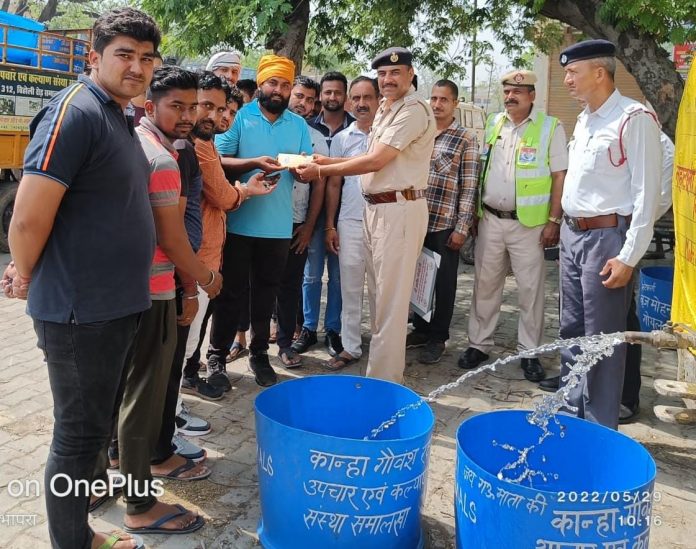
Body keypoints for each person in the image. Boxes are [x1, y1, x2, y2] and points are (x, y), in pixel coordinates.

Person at [4, 8, 159, 549]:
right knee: (76, 437)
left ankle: (82, 525)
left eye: (146, 58)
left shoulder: (118, 113)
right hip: (80, 313)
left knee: (91, 428)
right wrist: (25, 274)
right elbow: (25, 218)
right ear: (94, 56)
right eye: (123, 54)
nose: (136, 67)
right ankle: (73, 542)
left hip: (113, 306)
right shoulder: (74, 111)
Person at [108, 66, 227, 536]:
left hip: (137, 287)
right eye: (177, 105)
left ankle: (114, 478)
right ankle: (139, 504)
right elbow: (173, 240)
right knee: (144, 397)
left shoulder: (146, 144)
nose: (187, 115)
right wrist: (203, 280)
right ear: (151, 104)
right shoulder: (159, 157)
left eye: (192, 106)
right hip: (155, 288)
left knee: (132, 391)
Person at [296, 47, 436, 383]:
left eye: (395, 73)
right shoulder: (388, 109)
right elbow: (368, 157)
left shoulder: (413, 110)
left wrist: (320, 170)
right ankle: (380, 377)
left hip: (399, 209)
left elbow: (375, 161)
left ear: (410, 74)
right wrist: (323, 163)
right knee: (377, 297)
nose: (388, 79)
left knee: (390, 305)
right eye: (383, 74)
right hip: (377, 210)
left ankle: (384, 383)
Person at [558, 39, 662, 429]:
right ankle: (572, 413)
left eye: (573, 72)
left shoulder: (633, 118)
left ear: (599, 73)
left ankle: (600, 427)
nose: (567, 79)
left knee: (601, 339)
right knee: (571, 331)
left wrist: (629, 256)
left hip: (607, 240)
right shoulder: (586, 117)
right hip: (573, 236)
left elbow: (646, 194)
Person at [209, 54, 314, 387]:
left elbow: (307, 173)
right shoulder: (240, 116)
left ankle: (259, 355)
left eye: (285, 84)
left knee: (266, 295)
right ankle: (216, 357)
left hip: (278, 227)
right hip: (239, 223)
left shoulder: (298, 125)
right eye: (273, 82)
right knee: (230, 294)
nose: (279, 90)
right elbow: (219, 162)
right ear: (260, 84)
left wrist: (304, 171)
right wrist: (254, 163)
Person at [458, 69, 567, 383]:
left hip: (529, 226)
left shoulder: (550, 127)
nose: (510, 97)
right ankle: (479, 344)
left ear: (532, 95)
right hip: (491, 219)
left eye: (517, 92)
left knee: (530, 292)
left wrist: (553, 220)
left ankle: (528, 353)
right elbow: (484, 167)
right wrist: (477, 213)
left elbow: (560, 175)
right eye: (506, 92)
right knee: (485, 285)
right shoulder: (495, 123)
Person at [182, 75, 275, 393]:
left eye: (229, 111)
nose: (221, 117)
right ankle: (176, 406)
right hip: (195, 256)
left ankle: (185, 383)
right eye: (209, 106)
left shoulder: (201, 142)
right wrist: (244, 191)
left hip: (200, 250)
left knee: (191, 329)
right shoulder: (199, 143)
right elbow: (221, 196)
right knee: (187, 333)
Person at [406, 79, 479, 364]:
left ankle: (438, 337)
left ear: (455, 104)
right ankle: (421, 330)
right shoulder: (420, 132)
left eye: (443, 100)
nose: (437, 105)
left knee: (444, 283)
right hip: (415, 219)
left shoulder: (465, 138)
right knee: (418, 278)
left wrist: (462, 228)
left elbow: (470, 186)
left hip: (444, 222)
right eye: (433, 99)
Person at [293, 71, 356, 356]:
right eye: (327, 92)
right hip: (311, 215)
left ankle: (334, 329)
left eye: (337, 92)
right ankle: (308, 328)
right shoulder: (304, 127)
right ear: (321, 96)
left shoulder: (357, 130)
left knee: (339, 276)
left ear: (345, 96)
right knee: (311, 275)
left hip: (346, 215)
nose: (332, 97)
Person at [323, 76, 380, 370]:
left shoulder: (387, 136)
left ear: (379, 100)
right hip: (349, 222)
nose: (361, 104)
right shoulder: (343, 140)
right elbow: (334, 184)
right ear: (348, 103)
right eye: (355, 99)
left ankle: (383, 350)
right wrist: (330, 225)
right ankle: (351, 347)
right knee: (350, 286)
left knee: (381, 289)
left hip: (384, 221)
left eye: (367, 97)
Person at [273, 76, 329, 366]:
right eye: (299, 96)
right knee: (254, 283)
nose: (303, 103)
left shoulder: (317, 139)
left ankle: (285, 343)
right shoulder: (266, 127)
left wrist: (308, 227)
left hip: (296, 221)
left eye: (310, 99)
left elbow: (319, 185)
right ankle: (243, 339)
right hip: (263, 218)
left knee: (290, 284)